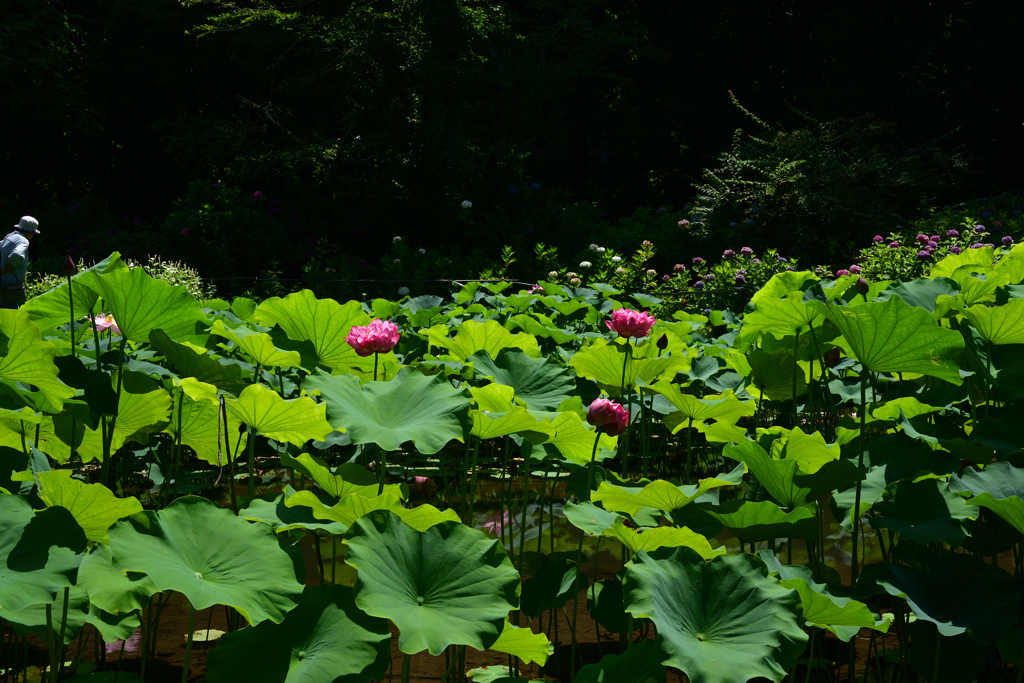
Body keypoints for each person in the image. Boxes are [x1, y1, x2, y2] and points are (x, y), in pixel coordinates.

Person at [0, 216, 40, 309]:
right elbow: (17, 254)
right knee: (12, 318)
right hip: (10, 287)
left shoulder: (9, 236)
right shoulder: (23, 241)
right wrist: (9, 266)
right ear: (31, 233)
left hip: (1, 283)